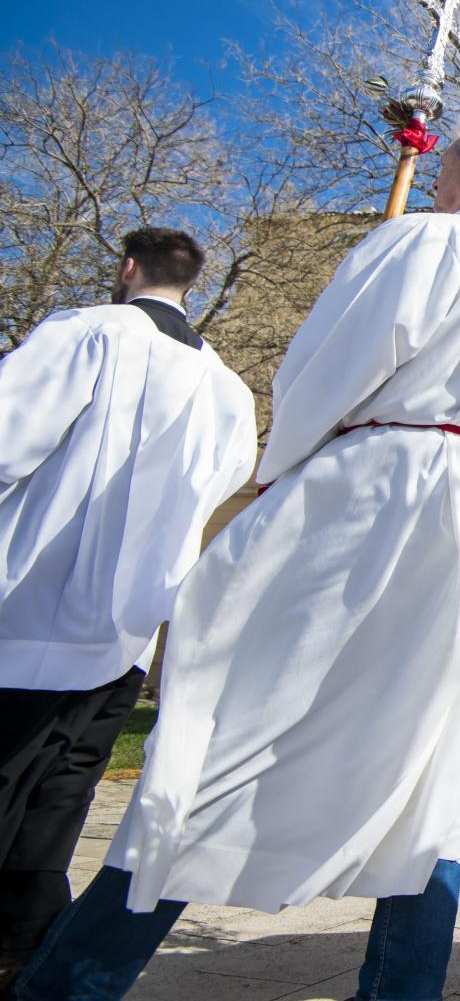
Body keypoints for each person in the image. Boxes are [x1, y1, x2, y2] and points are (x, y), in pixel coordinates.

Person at [15, 111, 460, 1001]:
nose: (433, 183)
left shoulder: (424, 244)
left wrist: (293, 470)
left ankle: (72, 983)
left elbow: (328, 365)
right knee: (435, 758)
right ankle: (400, 987)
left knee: (234, 721)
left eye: (443, 171)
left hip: (374, 490)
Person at [0, 229, 257, 987]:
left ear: (125, 269)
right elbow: (222, 485)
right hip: (130, 629)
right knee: (56, 803)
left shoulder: (83, 334)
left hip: (28, 607)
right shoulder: (229, 390)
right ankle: (29, 955)